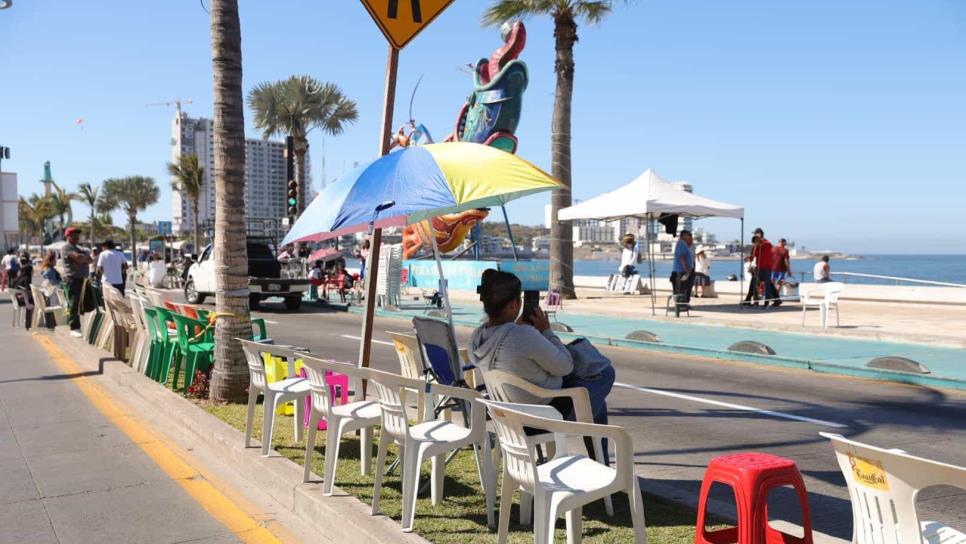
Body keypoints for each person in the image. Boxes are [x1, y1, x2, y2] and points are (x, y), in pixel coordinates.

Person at [469, 269, 614, 459]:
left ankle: (600, 467)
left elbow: (510, 344)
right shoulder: (522, 335)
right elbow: (565, 366)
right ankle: (601, 469)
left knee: (596, 405)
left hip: (509, 416)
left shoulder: (477, 337)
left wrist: (518, 327)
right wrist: (546, 331)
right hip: (542, 415)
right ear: (514, 305)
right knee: (606, 372)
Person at [62, 227, 93, 337]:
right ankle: (74, 327)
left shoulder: (78, 248)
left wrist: (82, 258)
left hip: (82, 279)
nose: (76, 237)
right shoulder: (66, 247)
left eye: (77, 235)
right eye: (73, 235)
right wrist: (82, 258)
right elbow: (80, 258)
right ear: (68, 236)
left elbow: (90, 260)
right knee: (73, 303)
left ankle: (80, 326)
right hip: (72, 279)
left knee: (86, 304)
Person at [752, 228, 780, 307]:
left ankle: (766, 302)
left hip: (767, 267)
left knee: (767, 286)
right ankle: (756, 301)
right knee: (755, 284)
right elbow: (753, 256)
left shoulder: (767, 243)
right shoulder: (756, 245)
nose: (755, 235)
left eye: (756, 234)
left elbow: (770, 252)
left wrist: (761, 244)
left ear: (760, 234)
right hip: (759, 267)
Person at [670, 230, 695, 315]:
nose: (690, 238)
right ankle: (680, 306)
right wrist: (687, 270)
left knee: (684, 288)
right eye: (689, 236)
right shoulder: (681, 243)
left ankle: (683, 304)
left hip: (683, 271)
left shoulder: (684, 244)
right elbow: (682, 257)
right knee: (681, 289)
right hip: (681, 272)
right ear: (684, 236)